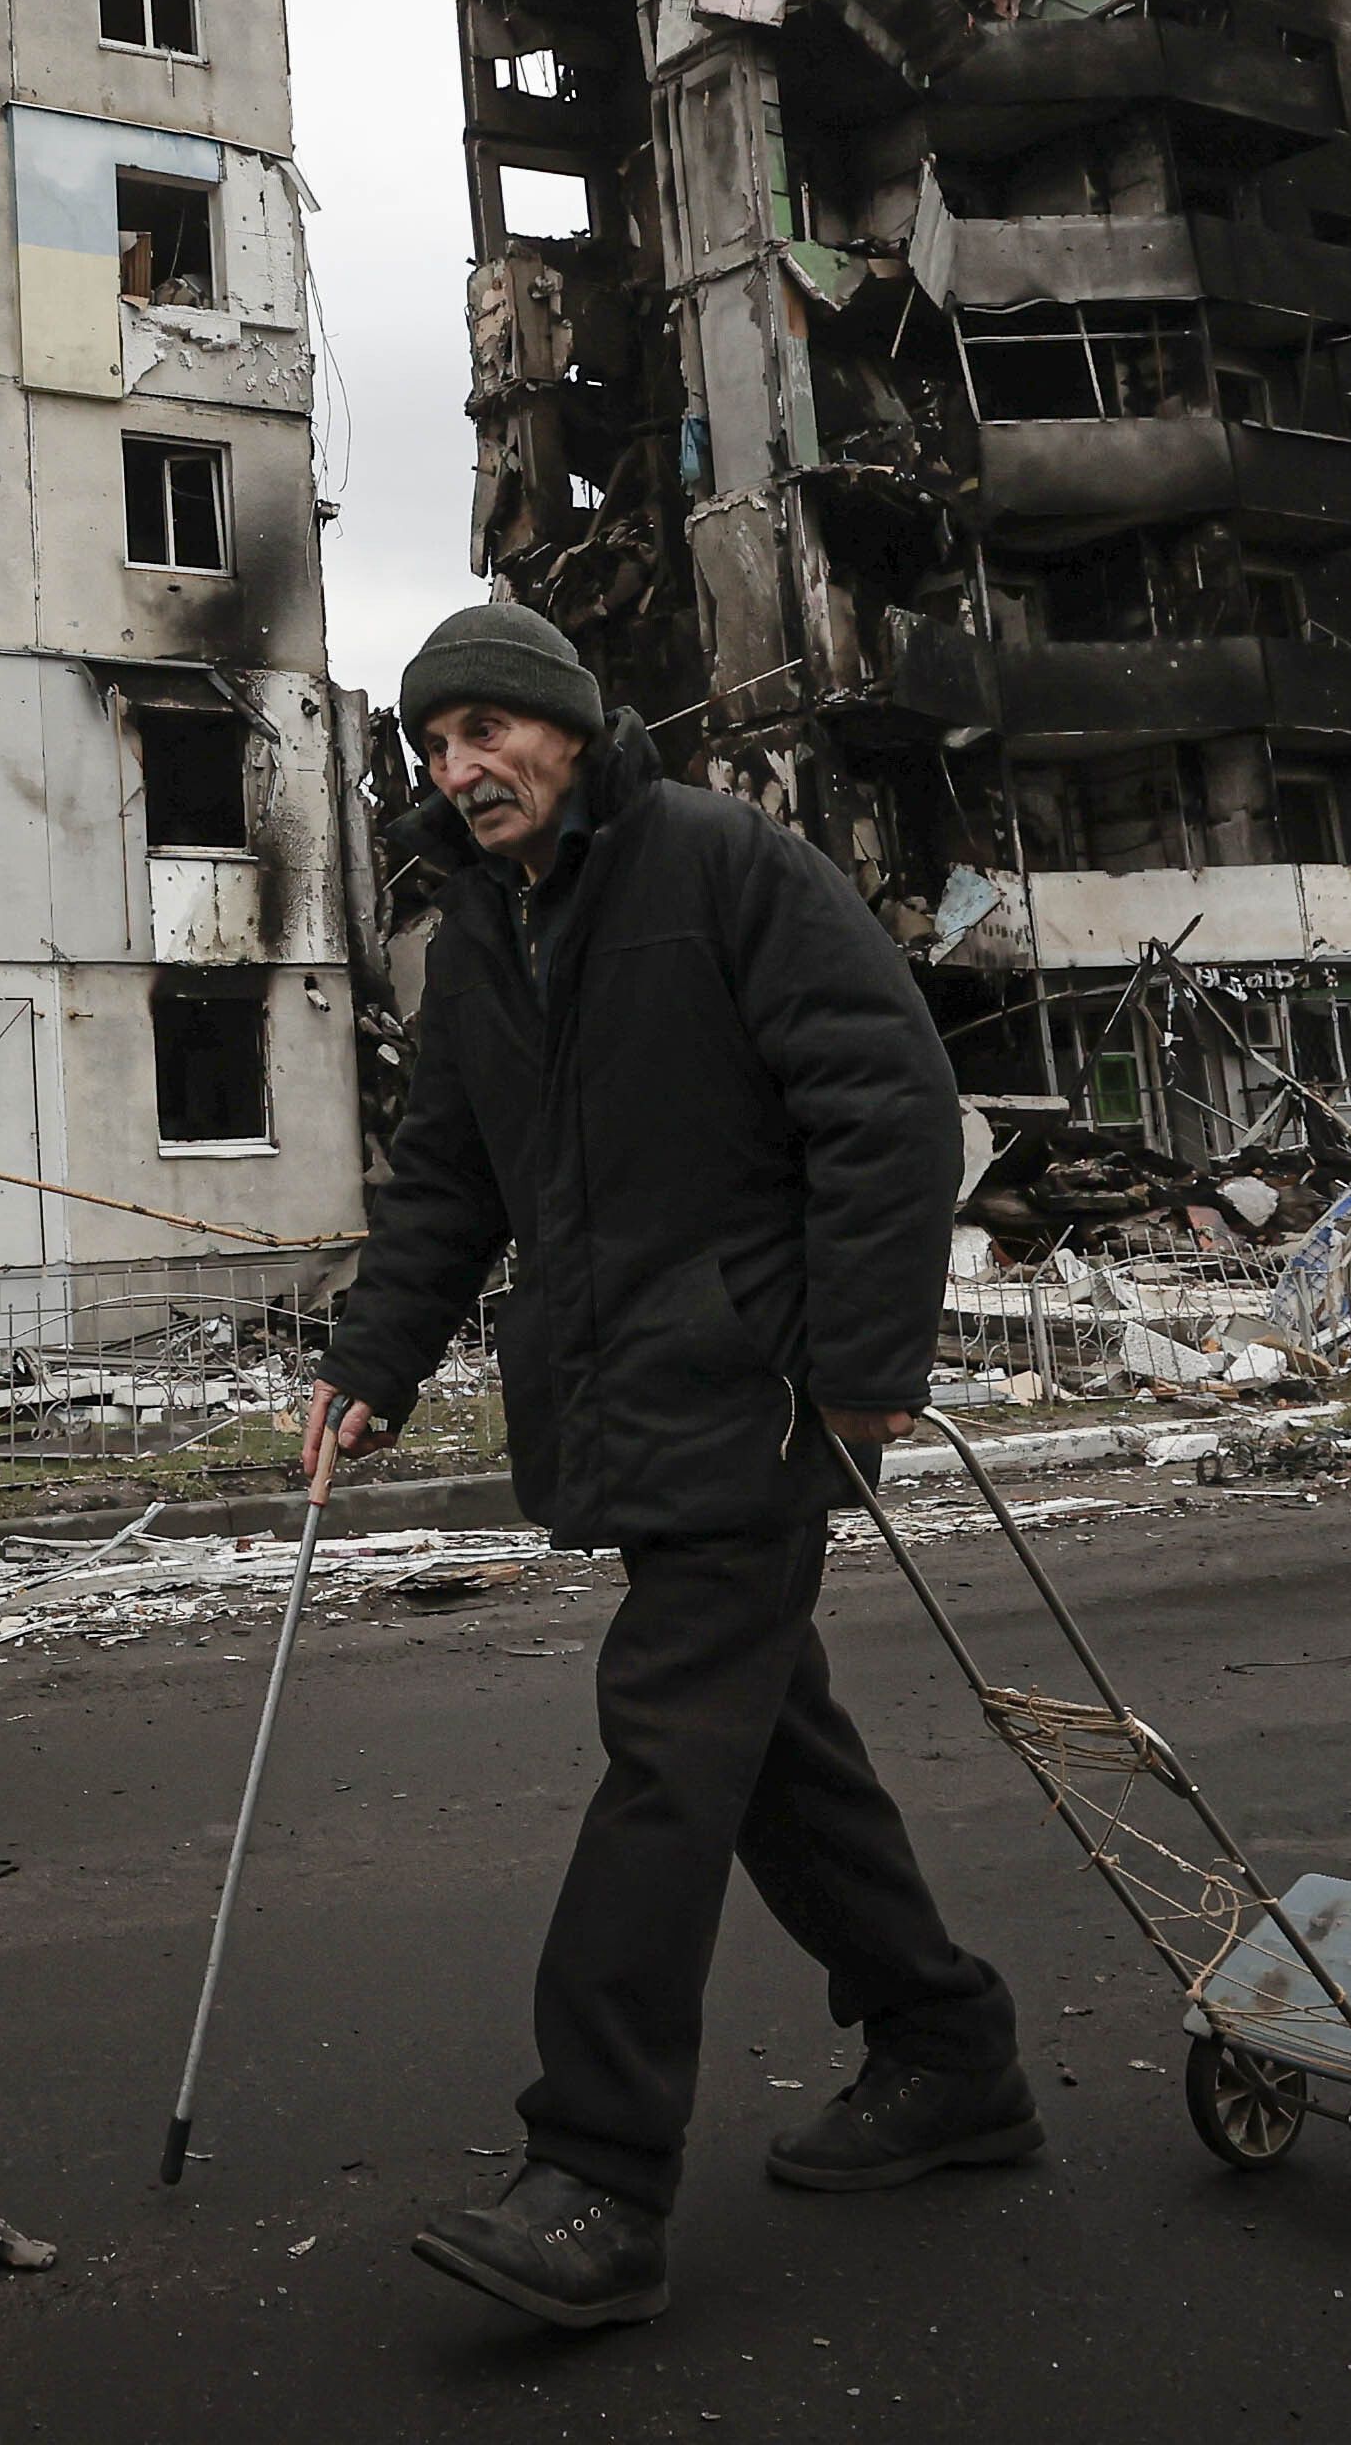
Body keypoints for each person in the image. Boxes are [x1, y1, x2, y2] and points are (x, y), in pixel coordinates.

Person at [306, 600, 1034, 2333]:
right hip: (629, 1400)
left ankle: (600, 2176)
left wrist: (864, 1374)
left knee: (665, 1755)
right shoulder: (475, 931)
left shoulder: (719, 864)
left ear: (568, 727)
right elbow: (446, 1180)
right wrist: (371, 1365)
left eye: (489, 730)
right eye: (431, 743)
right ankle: (949, 2053)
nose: (458, 769)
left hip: (763, 1400)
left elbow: (889, 1102)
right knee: (770, 1752)